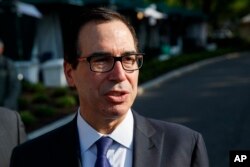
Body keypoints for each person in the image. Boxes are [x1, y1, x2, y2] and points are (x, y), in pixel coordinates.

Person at [10, 7, 209, 167]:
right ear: (70, 72)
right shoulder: (29, 159)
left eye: (129, 59)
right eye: (102, 60)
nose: (120, 75)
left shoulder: (184, 147)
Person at [0, 38, 21, 110]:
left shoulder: (8, 65)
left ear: (1, 49)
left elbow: (15, 87)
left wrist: (5, 106)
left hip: (6, 110)